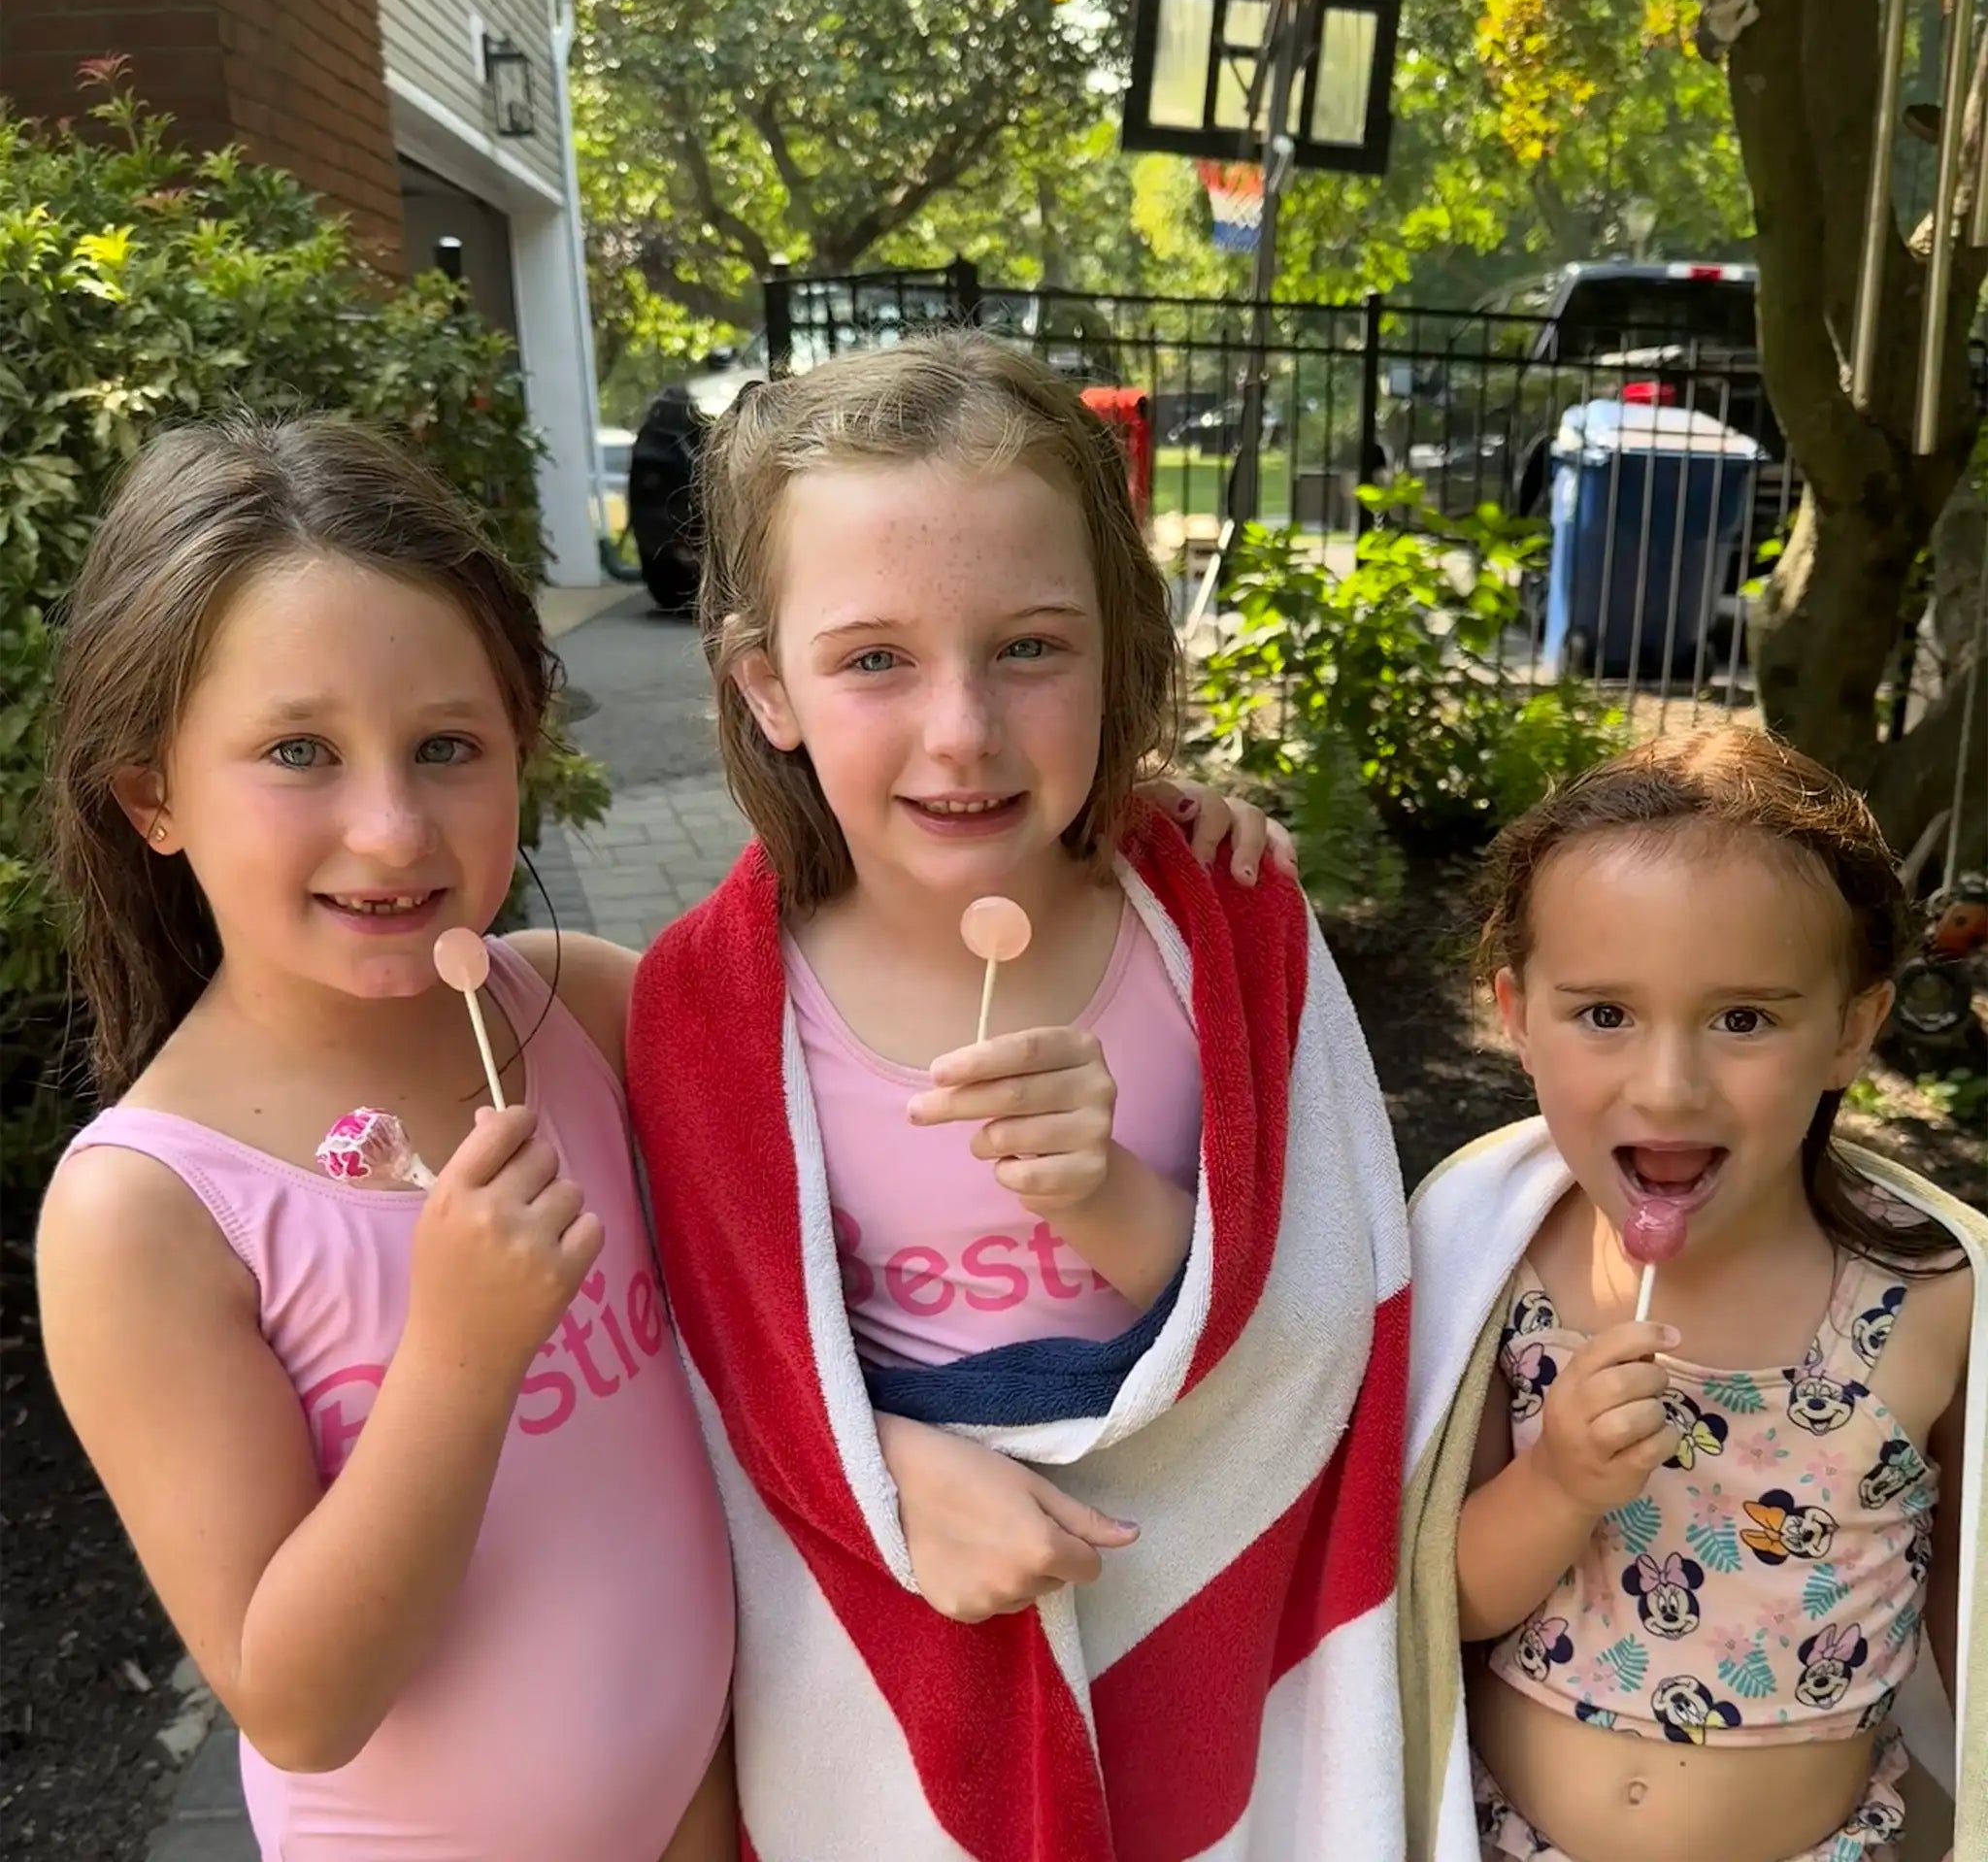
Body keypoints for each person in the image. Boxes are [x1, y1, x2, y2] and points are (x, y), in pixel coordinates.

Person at [626, 334, 1412, 1859]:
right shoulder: (705, 1008)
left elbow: (1317, 1309)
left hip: (1196, 1606)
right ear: (764, 687)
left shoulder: (1227, 934)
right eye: (873, 660)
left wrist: (1101, 1190)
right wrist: (888, 1476)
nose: (963, 732)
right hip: (898, 1643)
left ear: (1120, 646)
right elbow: (727, 1364)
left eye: (1030, 647)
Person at [32, 417, 742, 1862]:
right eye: (299, 750)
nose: (392, 826)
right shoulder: (149, 1214)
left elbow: (863, 1010)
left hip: (711, 1813)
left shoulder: (587, 1014)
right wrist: (463, 1355)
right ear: (151, 795)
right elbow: (300, 1703)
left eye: (447, 748)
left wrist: (1109, 852)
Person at [1400, 729, 1985, 1862]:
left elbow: (1970, 1638)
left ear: (1850, 1028)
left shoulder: (1930, 1301)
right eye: (1604, 1013)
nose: (1667, 1084)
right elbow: (1445, 1600)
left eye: (1742, 1018)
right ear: (1516, 1012)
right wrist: (1559, 1479)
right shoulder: (1499, 1276)